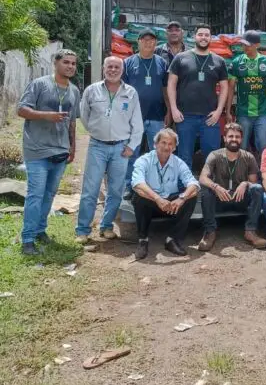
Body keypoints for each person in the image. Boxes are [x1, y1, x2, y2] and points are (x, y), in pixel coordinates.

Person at [17, 49, 81, 255]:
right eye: (66, 62)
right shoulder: (40, 84)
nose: (70, 66)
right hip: (37, 149)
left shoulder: (74, 90)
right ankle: (27, 239)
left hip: (60, 151)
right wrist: (47, 115)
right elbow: (21, 109)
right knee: (35, 195)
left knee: (49, 194)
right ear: (56, 63)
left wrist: (72, 147)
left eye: (73, 63)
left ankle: (40, 230)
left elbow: (72, 122)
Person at [76, 56, 143, 244]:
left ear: (122, 70)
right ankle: (83, 230)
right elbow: (84, 116)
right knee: (90, 189)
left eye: (117, 67)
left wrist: (131, 146)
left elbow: (137, 122)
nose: (113, 70)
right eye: (110, 67)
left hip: (121, 149)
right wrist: (98, 132)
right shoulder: (92, 90)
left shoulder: (130, 92)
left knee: (115, 191)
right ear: (104, 68)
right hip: (97, 146)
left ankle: (106, 226)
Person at [130, 128, 200, 259]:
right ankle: (143, 240)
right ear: (155, 144)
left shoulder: (178, 162)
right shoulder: (144, 160)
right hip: (152, 201)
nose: (166, 147)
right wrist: (157, 199)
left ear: (174, 148)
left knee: (192, 196)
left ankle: (172, 239)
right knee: (138, 196)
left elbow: (194, 184)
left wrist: (182, 199)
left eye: (170, 144)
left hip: (170, 204)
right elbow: (137, 183)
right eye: (163, 143)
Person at [167, 24, 229, 170]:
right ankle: (185, 188)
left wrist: (219, 111)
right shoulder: (181, 58)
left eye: (207, 35)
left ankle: (210, 188)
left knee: (212, 156)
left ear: (210, 38)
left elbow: (225, 87)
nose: (203, 38)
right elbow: (171, 84)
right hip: (185, 116)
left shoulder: (219, 61)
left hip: (210, 117)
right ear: (195, 37)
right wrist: (174, 109)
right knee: (184, 155)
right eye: (200, 34)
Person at [197, 122, 266, 250]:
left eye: (237, 137)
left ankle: (250, 231)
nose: (234, 139)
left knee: (257, 189)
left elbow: (254, 182)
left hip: (240, 199)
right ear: (224, 138)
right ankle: (210, 232)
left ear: (241, 139)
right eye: (230, 136)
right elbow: (202, 177)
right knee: (206, 190)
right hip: (220, 199)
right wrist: (216, 187)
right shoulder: (215, 155)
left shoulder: (248, 157)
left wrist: (245, 183)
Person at [122, 28, 170, 200]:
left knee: (159, 152)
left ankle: (157, 185)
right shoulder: (128, 63)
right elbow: (122, 91)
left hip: (157, 116)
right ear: (139, 42)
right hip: (134, 117)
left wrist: (169, 111)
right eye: (145, 39)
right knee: (131, 153)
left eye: (152, 40)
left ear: (156, 43)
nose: (148, 43)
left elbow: (166, 89)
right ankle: (130, 185)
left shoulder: (161, 63)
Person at [225, 30, 266, 155]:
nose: (244, 47)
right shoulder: (237, 62)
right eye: (243, 44)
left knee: (264, 146)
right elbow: (230, 88)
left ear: (257, 45)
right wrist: (228, 111)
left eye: (248, 44)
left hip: (262, 113)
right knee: (242, 147)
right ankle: (243, 174)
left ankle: (262, 173)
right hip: (243, 113)